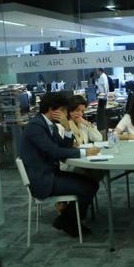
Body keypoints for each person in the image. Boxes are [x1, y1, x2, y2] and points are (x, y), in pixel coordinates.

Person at [19, 93, 100, 237]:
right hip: (42, 179)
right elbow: (55, 152)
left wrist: (68, 129)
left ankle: (67, 220)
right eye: (63, 110)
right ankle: (70, 222)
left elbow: (65, 148)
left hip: (51, 173)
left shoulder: (49, 125)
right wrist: (85, 153)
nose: (65, 113)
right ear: (52, 110)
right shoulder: (35, 127)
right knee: (88, 187)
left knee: (92, 183)